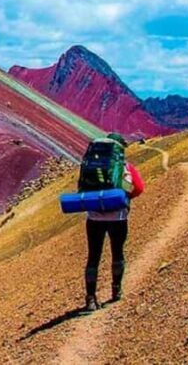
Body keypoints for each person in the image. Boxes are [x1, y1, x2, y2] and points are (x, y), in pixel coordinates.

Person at [83, 132, 145, 313]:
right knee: (117, 253)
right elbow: (139, 188)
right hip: (118, 217)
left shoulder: (92, 164)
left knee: (93, 256)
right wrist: (122, 196)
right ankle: (116, 289)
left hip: (94, 217)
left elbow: (83, 188)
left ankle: (90, 298)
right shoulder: (125, 166)